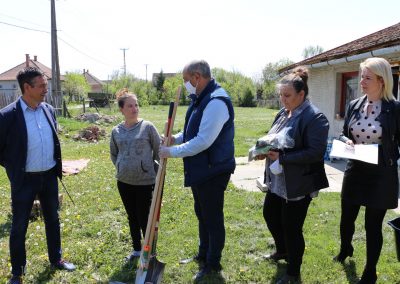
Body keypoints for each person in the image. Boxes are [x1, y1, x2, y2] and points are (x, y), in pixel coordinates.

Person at [159, 60, 235, 282]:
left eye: (186, 80)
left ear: (197, 77)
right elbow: (193, 131)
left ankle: (212, 263)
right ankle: (203, 255)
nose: (185, 85)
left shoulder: (217, 101)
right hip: (201, 168)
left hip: (214, 169)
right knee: (201, 214)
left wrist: (171, 152)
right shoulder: (201, 98)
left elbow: (203, 140)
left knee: (212, 217)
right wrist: (175, 138)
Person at [0, 67, 75, 284]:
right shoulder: (7, 116)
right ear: (27, 88)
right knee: (19, 226)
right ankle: (17, 272)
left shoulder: (48, 110)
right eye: (41, 86)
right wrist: (14, 168)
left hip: (49, 176)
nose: (46, 89)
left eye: (46, 85)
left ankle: (56, 259)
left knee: (53, 219)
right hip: (24, 180)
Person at [257, 66, 329, 284]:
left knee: (292, 227)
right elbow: (274, 138)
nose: (282, 99)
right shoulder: (284, 112)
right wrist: (262, 151)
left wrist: (282, 157)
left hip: (299, 183)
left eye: (287, 95)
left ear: (301, 95)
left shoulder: (315, 117)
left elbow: (315, 152)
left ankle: (293, 272)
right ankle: (283, 251)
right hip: (278, 179)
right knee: (270, 215)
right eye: (280, 95)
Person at [334, 57, 399, 284]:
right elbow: (343, 133)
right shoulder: (354, 105)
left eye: (367, 77)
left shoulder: (395, 109)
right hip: (355, 169)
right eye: (362, 76)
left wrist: (386, 154)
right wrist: (346, 141)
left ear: (381, 81)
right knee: (346, 219)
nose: (362, 81)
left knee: (372, 226)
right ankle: (345, 249)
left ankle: (370, 270)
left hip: (381, 175)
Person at [110, 89, 160, 261]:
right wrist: (121, 166)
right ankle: (137, 249)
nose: (134, 108)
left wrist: (149, 168)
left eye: (136, 105)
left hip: (145, 181)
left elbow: (158, 151)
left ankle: (149, 252)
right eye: (130, 106)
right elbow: (114, 153)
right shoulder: (116, 131)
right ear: (122, 110)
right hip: (124, 181)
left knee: (145, 217)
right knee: (132, 216)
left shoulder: (148, 127)